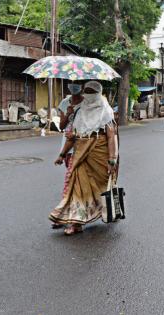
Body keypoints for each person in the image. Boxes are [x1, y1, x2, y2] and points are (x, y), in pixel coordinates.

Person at [50, 81, 118, 235]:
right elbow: (72, 136)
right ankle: (76, 222)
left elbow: (111, 136)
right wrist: (62, 154)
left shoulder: (106, 111)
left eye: (91, 91)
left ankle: (105, 210)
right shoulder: (80, 111)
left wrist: (112, 159)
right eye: (86, 91)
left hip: (99, 157)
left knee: (100, 189)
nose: (88, 94)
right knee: (77, 188)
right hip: (80, 155)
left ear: (98, 93)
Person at [51, 83, 84, 229]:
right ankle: (66, 215)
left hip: (84, 145)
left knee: (74, 182)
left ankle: (70, 216)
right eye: (71, 84)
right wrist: (69, 113)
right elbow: (62, 126)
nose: (74, 86)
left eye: (77, 84)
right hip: (68, 146)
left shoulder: (88, 103)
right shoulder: (65, 103)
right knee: (71, 181)